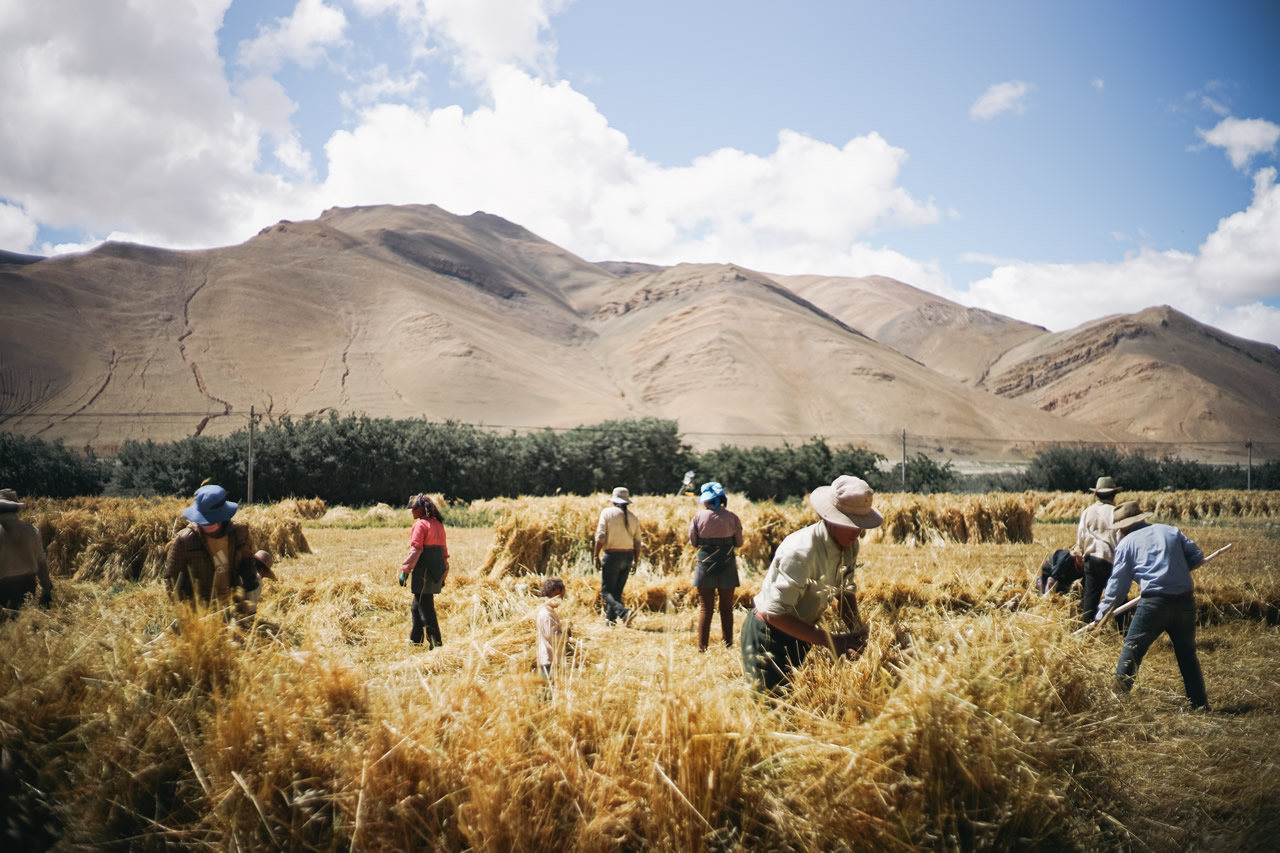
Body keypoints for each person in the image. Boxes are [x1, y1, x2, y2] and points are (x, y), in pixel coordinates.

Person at [741, 475, 882, 693]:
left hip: (803, 631)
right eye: (851, 524)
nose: (857, 531)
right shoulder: (801, 552)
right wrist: (830, 641)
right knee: (771, 708)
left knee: (797, 701)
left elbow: (844, 592)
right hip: (769, 636)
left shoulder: (849, 545)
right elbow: (774, 613)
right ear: (830, 519)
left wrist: (857, 631)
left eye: (860, 525)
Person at [1089, 501, 1209, 711]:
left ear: (1123, 527)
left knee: (1132, 651)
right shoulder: (1170, 531)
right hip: (1185, 601)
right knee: (1187, 655)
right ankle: (1199, 705)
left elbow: (1117, 587)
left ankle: (1115, 705)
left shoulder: (1127, 544)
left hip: (1154, 603)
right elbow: (1197, 557)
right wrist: (1177, 570)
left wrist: (1101, 615)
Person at [163, 484, 259, 609]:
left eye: (212, 520)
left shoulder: (239, 533)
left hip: (232, 599)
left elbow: (248, 561)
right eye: (204, 520)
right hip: (202, 605)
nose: (208, 524)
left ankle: (247, 619)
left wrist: (248, 581)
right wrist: (185, 608)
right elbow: (172, 579)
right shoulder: (185, 540)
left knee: (257, 578)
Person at [688, 481, 743, 651]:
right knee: (726, 608)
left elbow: (693, 541)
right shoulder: (732, 517)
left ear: (706, 500)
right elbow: (739, 542)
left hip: (705, 561)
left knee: (706, 608)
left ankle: (702, 647)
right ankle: (728, 644)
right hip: (727, 562)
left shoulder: (698, 517)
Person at [398, 493, 449, 647]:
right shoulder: (438, 525)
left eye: (414, 509)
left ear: (422, 510)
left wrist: (405, 570)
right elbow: (444, 553)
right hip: (437, 571)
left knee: (426, 609)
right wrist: (444, 575)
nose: (412, 512)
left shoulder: (421, 525)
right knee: (416, 606)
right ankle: (415, 640)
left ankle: (436, 643)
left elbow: (416, 550)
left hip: (424, 571)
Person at [0, 489, 53, 616]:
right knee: (22, 622)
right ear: (16, 509)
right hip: (27, 586)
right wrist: (46, 588)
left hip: (2, 588)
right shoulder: (31, 530)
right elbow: (41, 562)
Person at [592, 487, 641, 626]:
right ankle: (610, 620)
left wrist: (596, 555)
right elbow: (637, 543)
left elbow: (600, 535)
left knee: (606, 592)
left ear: (614, 501)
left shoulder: (607, 513)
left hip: (612, 556)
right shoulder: (633, 518)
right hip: (628, 556)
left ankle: (624, 613)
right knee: (617, 592)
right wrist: (635, 561)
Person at [1076, 476, 1122, 623]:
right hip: (1110, 560)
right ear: (1113, 495)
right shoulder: (1116, 512)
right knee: (1118, 597)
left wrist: (1083, 553)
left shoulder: (1087, 512)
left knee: (1090, 598)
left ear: (1096, 494)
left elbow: (1081, 538)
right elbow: (1120, 539)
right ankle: (1125, 631)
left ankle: (1085, 632)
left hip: (1091, 559)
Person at [536, 576, 568, 684]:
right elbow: (552, 636)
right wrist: (565, 635)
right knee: (547, 691)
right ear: (547, 595)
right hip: (548, 659)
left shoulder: (549, 612)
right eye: (555, 596)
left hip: (552, 659)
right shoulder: (546, 614)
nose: (558, 600)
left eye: (560, 597)